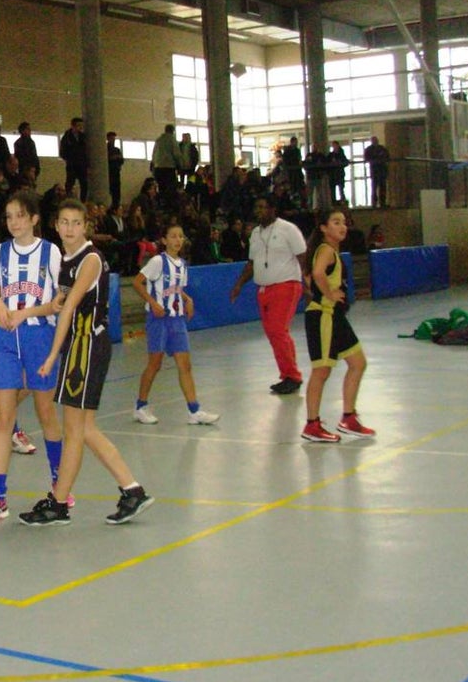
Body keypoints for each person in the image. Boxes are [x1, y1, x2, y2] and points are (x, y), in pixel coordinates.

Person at [18, 199, 154, 526]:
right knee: (82, 429)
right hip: (80, 346)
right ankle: (129, 490)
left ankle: (60, 503)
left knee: (77, 429)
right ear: (55, 225)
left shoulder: (90, 259)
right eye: (63, 222)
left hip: (87, 346)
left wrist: (51, 356)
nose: (69, 228)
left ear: (85, 227)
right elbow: (58, 305)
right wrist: (23, 313)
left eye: (75, 223)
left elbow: (68, 309)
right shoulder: (67, 260)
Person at [0, 189, 64, 526]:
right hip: (6, 341)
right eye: (9, 216)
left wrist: (26, 313)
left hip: (39, 335)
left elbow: (59, 301)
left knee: (45, 413)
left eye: (20, 216)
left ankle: (59, 485)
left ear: (34, 219)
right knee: (4, 417)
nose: (13, 222)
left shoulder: (51, 253)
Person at [131, 222, 220, 426]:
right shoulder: (157, 262)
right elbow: (137, 282)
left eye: (181, 236)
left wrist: (187, 299)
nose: (178, 240)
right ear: (164, 240)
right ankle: (140, 406)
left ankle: (194, 410)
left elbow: (175, 288)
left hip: (177, 320)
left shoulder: (182, 264)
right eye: (173, 236)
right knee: (155, 364)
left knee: (185, 365)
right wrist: (152, 303)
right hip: (158, 320)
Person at [301, 208, 375, 443]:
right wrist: (329, 293)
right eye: (335, 222)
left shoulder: (330, 250)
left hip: (335, 317)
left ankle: (349, 418)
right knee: (321, 371)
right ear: (323, 228)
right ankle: (312, 425)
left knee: (358, 362)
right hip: (323, 315)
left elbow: (308, 276)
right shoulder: (325, 250)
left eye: (344, 222)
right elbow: (317, 273)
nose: (342, 226)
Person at [229, 195, 309, 394]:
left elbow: (302, 258)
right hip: (264, 289)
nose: (258, 211)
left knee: (277, 330)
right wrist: (238, 284)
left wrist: (308, 285)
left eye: (262, 207)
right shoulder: (255, 233)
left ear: (273, 209)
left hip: (286, 285)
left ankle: (292, 376)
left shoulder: (288, 229)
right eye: (256, 207)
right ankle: (288, 374)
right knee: (274, 332)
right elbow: (251, 263)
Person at [151, 124, 182, 208]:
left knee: (161, 189)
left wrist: (153, 165)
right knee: (170, 190)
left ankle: (162, 206)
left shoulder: (158, 140)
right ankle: (170, 208)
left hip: (158, 168)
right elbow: (176, 154)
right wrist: (180, 165)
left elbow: (154, 154)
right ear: (173, 131)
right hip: (169, 168)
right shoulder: (172, 140)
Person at [59, 116, 88, 201]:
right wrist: (70, 159)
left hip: (82, 164)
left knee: (84, 184)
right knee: (70, 183)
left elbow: (86, 151)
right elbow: (62, 152)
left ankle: (83, 201)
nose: (80, 128)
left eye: (81, 126)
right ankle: (68, 200)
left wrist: (87, 164)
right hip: (72, 164)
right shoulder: (67, 137)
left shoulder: (83, 137)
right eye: (78, 125)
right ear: (73, 126)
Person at [364, 136, 390, 207]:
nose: (375, 141)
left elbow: (387, 156)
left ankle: (382, 203)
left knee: (382, 187)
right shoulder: (369, 149)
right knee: (374, 187)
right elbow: (367, 158)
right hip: (375, 171)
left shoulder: (382, 148)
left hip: (381, 170)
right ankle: (374, 203)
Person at [106, 131, 125, 209]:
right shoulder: (105, 149)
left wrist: (117, 158)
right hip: (108, 172)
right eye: (111, 138)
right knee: (109, 189)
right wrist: (112, 158)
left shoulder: (117, 149)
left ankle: (116, 205)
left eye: (114, 138)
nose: (113, 140)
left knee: (116, 190)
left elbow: (121, 160)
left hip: (116, 172)